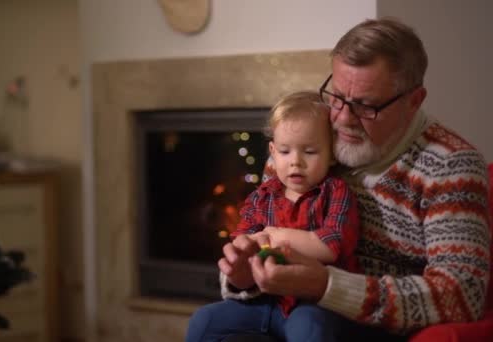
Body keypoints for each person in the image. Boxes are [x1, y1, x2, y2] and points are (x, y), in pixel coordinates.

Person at [187, 17, 491, 342]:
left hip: (369, 325)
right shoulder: (311, 139)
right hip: (280, 307)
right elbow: (260, 227)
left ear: (413, 101)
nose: (342, 119)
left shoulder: (450, 165)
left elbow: (461, 296)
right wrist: (242, 276)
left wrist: (327, 285)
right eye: (337, 96)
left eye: (365, 106)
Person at [185, 91, 361, 342]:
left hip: (312, 303)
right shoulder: (262, 197)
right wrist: (238, 267)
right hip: (266, 300)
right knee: (204, 321)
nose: (295, 162)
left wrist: (274, 236)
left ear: (331, 153)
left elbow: (332, 245)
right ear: (273, 152)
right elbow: (242, 242)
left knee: (310, 329)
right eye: (285, 151)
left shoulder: (336, 192)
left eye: (310, 152)